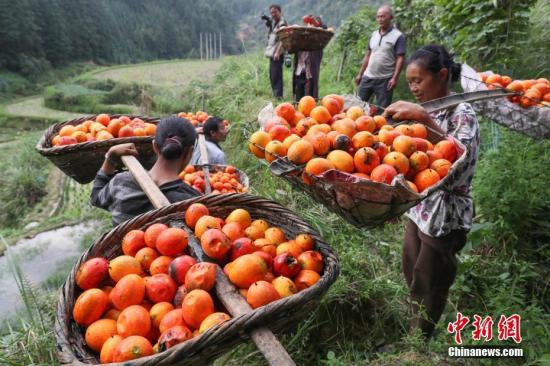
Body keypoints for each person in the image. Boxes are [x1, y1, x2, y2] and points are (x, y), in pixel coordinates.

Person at [383, 44, 480, 339]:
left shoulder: (462, 113)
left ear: (441, 75)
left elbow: (459, 162)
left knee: (431, 278)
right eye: (410, 82)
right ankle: (417, 327)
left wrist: (423, 120)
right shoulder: (427, 110)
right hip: (421, 208)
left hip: (445, 214)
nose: (413, 88)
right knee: (412, 268)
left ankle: (419, 341)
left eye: (418, 80)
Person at [91, 116, 200, 226]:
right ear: (189, 152)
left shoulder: (121, 182)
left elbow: (96, 197)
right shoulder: (193, 203)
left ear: (154, 146)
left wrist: (111, 157)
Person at [355, 5, 406, 109]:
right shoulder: (373, 35)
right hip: (368, 77)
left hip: (385, 80)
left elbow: (400, 58)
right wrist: (360, 74)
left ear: (391, 17)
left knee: (382, 110)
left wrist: (394, 78)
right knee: (358, 105)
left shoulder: (398, 36)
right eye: (378, 16)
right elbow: (368, 55)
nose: (380, 19)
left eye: (383, 16)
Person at [264, 4, 287, 98]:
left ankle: (278, 97)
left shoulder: (282, 23)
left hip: (277, 54)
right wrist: (269, 27)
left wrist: (277, 52)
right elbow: (271, 37)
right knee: (273, 76)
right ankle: (276, 96)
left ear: (280, 12)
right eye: (271, 13)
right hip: (272, 54)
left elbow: (283, 38)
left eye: (275, 12)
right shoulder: (274, 23)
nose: (273, 14)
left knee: (276, 76)